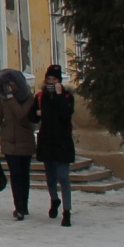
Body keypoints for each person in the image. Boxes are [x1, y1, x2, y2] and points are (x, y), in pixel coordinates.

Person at [0, 67, 39, 220]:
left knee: (24, 174)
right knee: (15, 174)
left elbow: (21, 115)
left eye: (12, 84)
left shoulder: (29, 98)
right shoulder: (3, 99)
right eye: (7, 84)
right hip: (9, 141)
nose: (10, 87)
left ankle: (24, 204)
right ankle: (19, 207)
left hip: (25, 141)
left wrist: (11, 98)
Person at [35, 64, 77, 227]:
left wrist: (59, 95)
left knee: (63, 177)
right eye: (49, 79)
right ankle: (54, 200)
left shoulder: (67, 97)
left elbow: (66, 114)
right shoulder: (41, 96)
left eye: (54, 79)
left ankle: (67, 212)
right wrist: (36, 113)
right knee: (50, 177)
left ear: (59, 81)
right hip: (47, 140)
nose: (51, 82)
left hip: (62, 141)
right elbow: (33, 116)